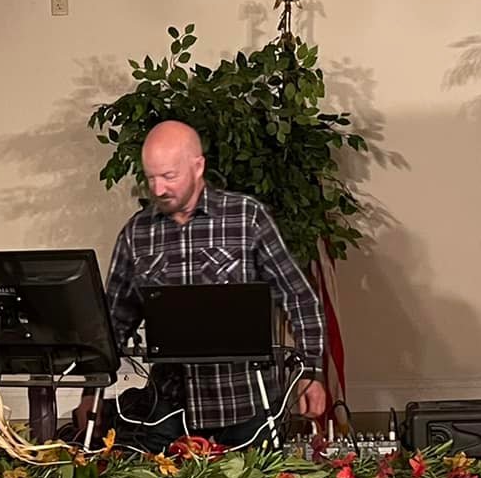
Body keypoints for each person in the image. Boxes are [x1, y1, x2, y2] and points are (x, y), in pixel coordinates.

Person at [77, 120, 326, 449]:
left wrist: (311, 372)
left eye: (169, 176)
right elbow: (113, 322)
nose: (158, 189)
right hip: (169, 407)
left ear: (198, 167)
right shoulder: (137, 233)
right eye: (151, 178)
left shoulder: (246, 218)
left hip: (246, 405)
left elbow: (299, 297)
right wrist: (91, 392)